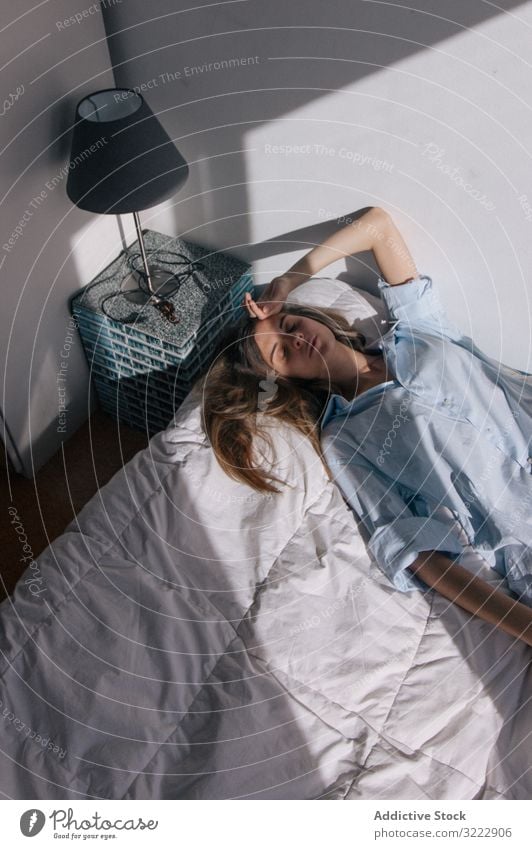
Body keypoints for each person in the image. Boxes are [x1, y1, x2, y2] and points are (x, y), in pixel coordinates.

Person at [198, 206, 532, 647]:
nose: (295, 339)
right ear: (282, 381)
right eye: (281, 352)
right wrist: (524, 627)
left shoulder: (417, 330)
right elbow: (418, 552)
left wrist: (290, 281)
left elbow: (378, 225)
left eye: (289, 324)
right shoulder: (345, 437)